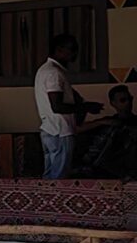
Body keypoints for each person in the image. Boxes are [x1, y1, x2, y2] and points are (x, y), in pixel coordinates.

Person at [37, 34, 98, 179]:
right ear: (59, 49)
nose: (75, 53)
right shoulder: (53, 73)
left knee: (50, 178)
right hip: (60, 130)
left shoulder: (46, 70)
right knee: (59, 178)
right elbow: (57, 107)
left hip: (50, 129)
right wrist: (85, 107)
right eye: (72, 49)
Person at [71, 86, 137, 179]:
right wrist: (101, 123)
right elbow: (76, 129)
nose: (128, 103)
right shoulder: (108, 121)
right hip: (107, 166)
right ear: (113, 103)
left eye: (130, 99)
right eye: (123, 100)